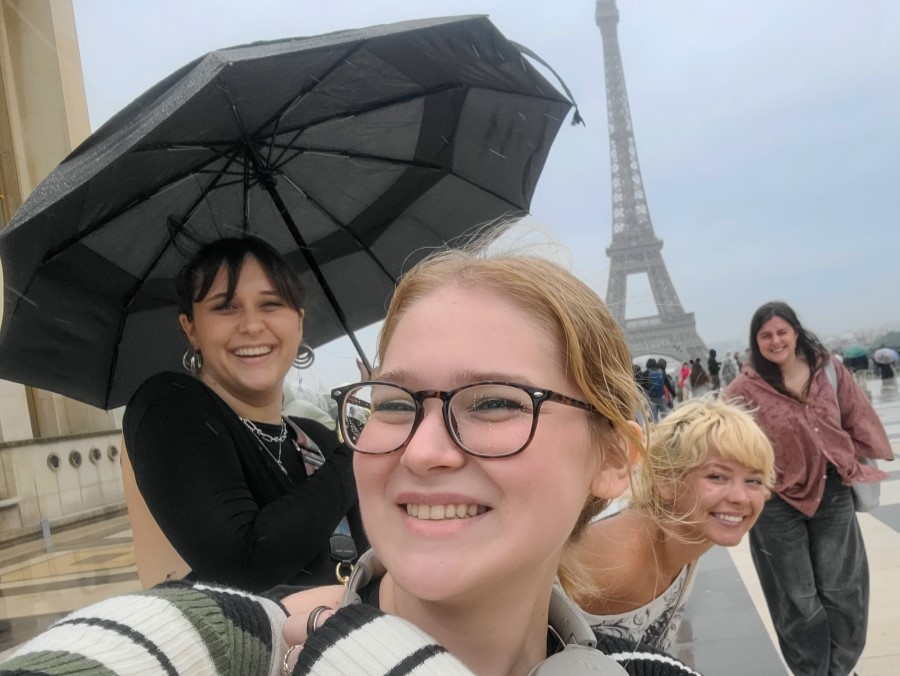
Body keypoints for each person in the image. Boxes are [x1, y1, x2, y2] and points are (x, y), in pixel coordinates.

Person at [2, 247, 698, 676]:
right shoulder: (173, 410)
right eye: (397, 401)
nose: (422, 449)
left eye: (493, 403)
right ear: (188, 326)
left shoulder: (308, 431)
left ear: (615, 458)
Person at [122, 236, 366, 591]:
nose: (252, 325)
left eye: (270, 305)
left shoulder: (320, 439)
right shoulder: (169, 407)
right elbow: (241, 564)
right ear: (190, 327)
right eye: (225, 307)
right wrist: (359, 449)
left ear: (298, 323)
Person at [724, 301, 892, 676]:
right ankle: (812, 671)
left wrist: (855, 460)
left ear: (796, 331)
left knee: (841, 589)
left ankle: (839, 668)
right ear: (756, 342)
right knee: (796, 595)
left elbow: (856, 414)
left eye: (782, 331)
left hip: (832, 492)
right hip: (777, 503)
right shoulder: (744, 388)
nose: (775, 340)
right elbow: (726, 440)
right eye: (765, 335)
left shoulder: (828, 370)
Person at [563, 398, 775, 651]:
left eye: (754, 481)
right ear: (666, 481)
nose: (740, 497)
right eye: (717, 476)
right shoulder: (616, 560)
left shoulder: (689, 536)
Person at [642, 357, 668, 422]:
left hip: (651, 397)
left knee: (654, 415)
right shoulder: (661, 371)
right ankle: (668, 425)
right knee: (665, 413)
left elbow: (642, 384)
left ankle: (656, 428)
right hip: (660, 396)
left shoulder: (646, 372)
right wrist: (673, 393)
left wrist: (646, 392)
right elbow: (667, 383)